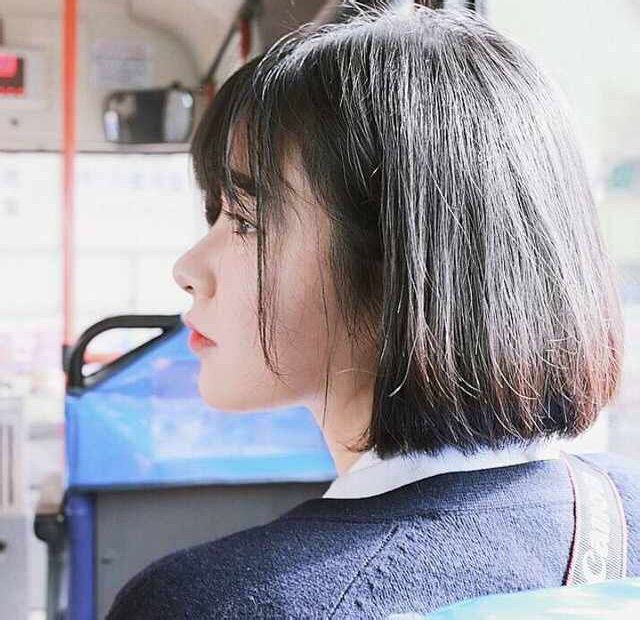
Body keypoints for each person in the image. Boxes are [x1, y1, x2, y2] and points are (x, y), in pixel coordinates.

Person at [106, 4, 639, 618]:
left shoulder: (207, 603)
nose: (188, 268)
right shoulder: (620, 515)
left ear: (395, 263)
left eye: (246, 220)